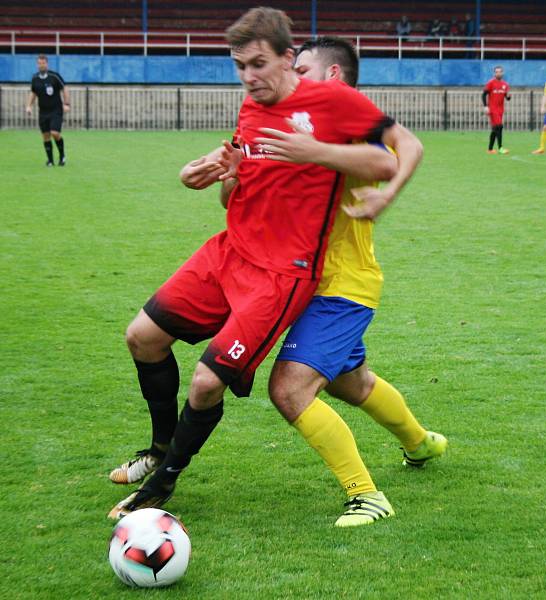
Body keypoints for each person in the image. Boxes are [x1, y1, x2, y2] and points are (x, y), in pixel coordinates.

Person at [107, 7, 396, 523]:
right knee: (142, 337)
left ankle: (166, 481)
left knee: (249, 386)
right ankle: (157, 447)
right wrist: (220, 173)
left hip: (301, 277)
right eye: (240, 66)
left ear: (294, 62)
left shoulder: (335, 113)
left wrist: (320, 151)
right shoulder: (254, 109)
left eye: (260, 64)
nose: (249, 77)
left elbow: (389, 158)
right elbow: (232, 192)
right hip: (234, 253)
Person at [265, 36, 446, 527]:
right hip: (307, 283)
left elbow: (397, 150)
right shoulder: (302, 124)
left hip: (342, 285)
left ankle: (367, 496)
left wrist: (385, 194)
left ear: (333, 77)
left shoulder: (347, 122)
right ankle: (421, 442)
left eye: (301, 69)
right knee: (353, 383)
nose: (292, 78)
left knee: (289, 389)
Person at [26, 54, 70, 167]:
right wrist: (29, 106)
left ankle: (62, 156)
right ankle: (50, 161)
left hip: (56, 110)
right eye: (39, 63)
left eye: (43, 63)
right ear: (37, 64)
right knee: (46, 136)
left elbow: (64, 88)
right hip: (43, 112)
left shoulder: (54, 76)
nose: (41, 65)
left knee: (55, 133)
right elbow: (33, 93)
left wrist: (66, 104)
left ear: (47, 64)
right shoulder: (34, 78)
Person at [482, 66, 510, 154]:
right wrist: (486, 106)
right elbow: (483, 94)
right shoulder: (491, 83)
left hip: (500, 110)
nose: (498, 73)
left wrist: (509, 97)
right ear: (494, 73)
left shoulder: (505, 85)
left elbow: (507, 97)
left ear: (502, 73)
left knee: (495, 129)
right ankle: (500, 148)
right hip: (492, 109)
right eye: (496, 72)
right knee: (499, 126)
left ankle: (490, 149)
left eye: (500, 72)